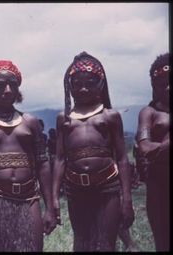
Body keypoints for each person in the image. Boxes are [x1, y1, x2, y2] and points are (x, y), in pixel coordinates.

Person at [0, 60, 56, 252]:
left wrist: (49, 207)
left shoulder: (30, 122)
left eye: (13, 85)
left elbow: (43, 164)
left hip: (29, 197)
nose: (7, 90)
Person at [52, 52, 134, 251]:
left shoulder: (110, 116)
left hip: (107, 188)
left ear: (100, 85)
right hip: (75, 189)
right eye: (77, 83)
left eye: (89, 83)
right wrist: (54, 197)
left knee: (106, 244)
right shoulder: (64, 118)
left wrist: (127, 199)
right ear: (69, 86)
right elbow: (60, 159)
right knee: (82, 242)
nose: (83, 88)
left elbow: (122, 158)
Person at [136, 53, 170, 251]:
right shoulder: (149, 113)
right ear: (153, 86)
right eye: (162, 83)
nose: (168, 88)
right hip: (159, 184)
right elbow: (145, 148)